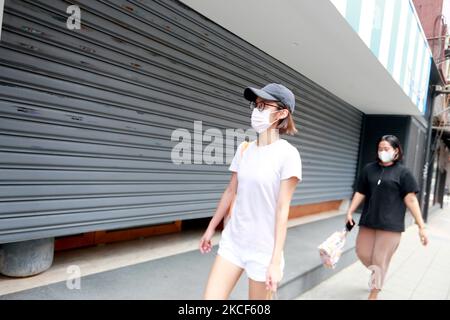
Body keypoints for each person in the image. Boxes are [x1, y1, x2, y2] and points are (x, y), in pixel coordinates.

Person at [199, 83, 302, 299]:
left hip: (263, 250)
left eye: (264, 106)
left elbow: (283, 210)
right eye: (256, 105)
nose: (257, 111)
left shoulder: (288, 155)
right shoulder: (244, 149)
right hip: (234, 242)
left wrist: (274, 262)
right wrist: (210, 228)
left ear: (282, 113)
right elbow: (230, 191)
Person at [346, 135, 429, 300]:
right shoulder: (369, 169)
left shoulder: (403, 173)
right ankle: (378, 272)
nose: (382, 152)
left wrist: (421, 226)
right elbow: (360, 191)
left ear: (396, 151)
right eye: (380, 148)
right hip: (368, 221)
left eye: (386, 149)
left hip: (391, 225)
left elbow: (411, 199)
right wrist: (350, 211)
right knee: (362, 252)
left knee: (379, 259)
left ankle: (374, 292)